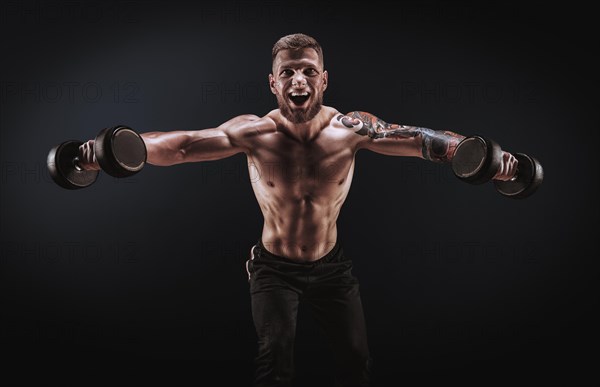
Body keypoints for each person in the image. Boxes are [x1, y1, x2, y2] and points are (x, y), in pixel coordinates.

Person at [78, 33, 517, 386]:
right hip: (273, 268)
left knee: (355, 364)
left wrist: (487, 162)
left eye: (308, 71)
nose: (298, 81)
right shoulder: (255, 132)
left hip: (331, 268)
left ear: (324, 80)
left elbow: (423, 141)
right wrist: (110, 152)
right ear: (273, 83)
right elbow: (181, 145)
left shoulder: (351, 129)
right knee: (275, 364)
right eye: (287, 72)